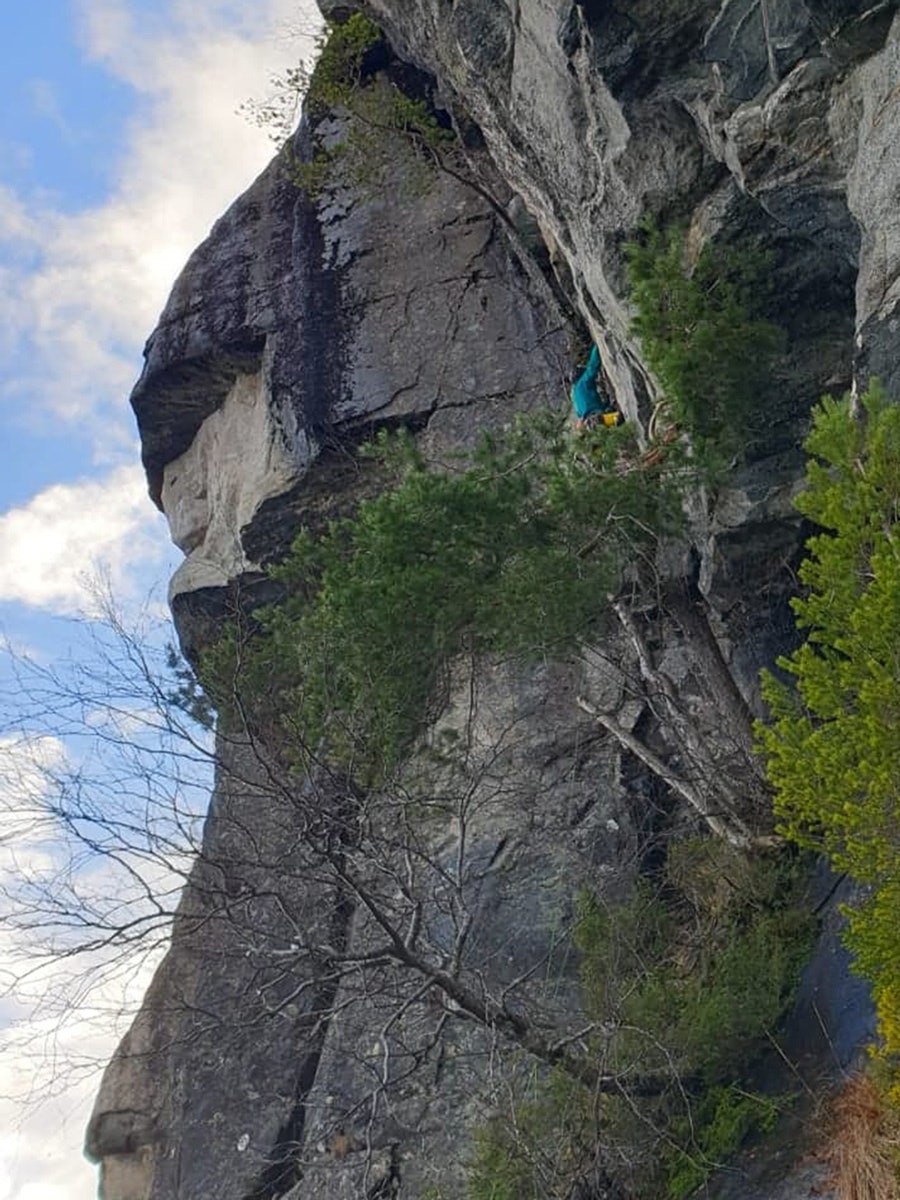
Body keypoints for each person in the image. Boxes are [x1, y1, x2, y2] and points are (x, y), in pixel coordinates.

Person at [571, 344, 621, 431]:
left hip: (592, 423)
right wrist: (597, 347)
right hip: (600, 418)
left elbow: (580, 416)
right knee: (619, 418)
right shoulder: (583, 382)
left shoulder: (575, 395)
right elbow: (592, 367)